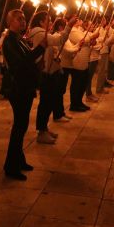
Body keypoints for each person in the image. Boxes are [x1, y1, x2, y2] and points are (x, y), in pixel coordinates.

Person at [2, 9, 46, 180]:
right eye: (19, 19)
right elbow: (20, 64)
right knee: (19, 127)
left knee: (22, 126)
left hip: (25, 87)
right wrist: (40, 49)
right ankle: (11, 166)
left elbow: (28, 60)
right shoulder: (9, 41)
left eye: (24, 18)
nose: (23, 21)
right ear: (9, 22)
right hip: (17, 89)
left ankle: (18, 160)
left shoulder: (19, 39)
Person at [28, 12, 76, 144]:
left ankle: (44, 128)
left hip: (50, 71)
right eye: (48, 20)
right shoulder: (39, 33)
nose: (51, 23)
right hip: (45, 73)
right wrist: (69, 26)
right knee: (45, 103)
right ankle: (41, 132)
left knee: (48, 102)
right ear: (41, 22)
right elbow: (59, 40)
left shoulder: (42, 32)